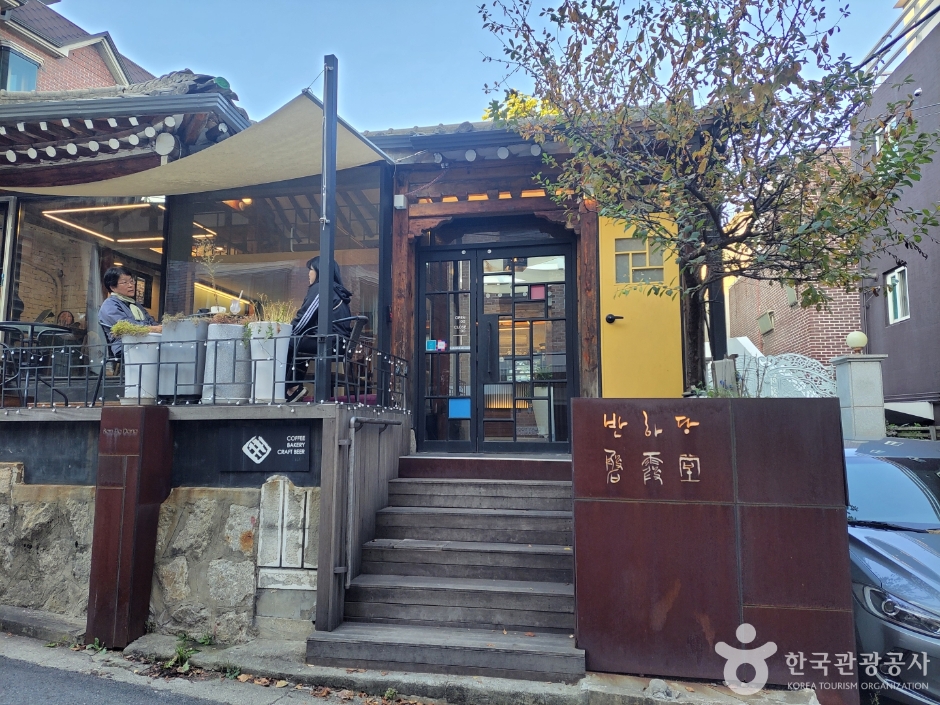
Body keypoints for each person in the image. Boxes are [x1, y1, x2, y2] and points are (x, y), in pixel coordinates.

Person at [285, 256, 353, 402]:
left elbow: (304, 318)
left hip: (327, 342)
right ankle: (294, 387)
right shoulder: (338, 292)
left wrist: (287, 333)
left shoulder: (321, 288)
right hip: (339, 344)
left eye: (311, 270)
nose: (309, 274)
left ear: (319, 271)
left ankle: (291, 387)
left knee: (286, 342)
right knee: (297, 342)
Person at [98, 265, 161, 355]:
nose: (131, 285)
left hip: (144, 343)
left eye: (131, 281)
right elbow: (127, 326)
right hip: (126, 347)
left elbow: (151, 322)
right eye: (125, 282)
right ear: (113, 287)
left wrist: (161, 328)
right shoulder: (110, 305)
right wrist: (153, 329)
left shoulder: (135, 304)